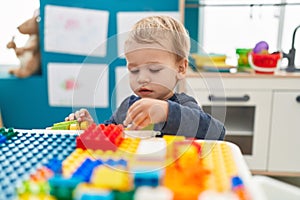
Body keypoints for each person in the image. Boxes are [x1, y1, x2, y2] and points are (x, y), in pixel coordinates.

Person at [65, 15, 225, 140]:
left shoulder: (184, 105)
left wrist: (167, 112)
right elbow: (109, 135)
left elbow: (217, 133)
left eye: (154, 69)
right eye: (134, 70)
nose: (142, 78)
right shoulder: (127, 107)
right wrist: (91, 128)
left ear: (181, 68)